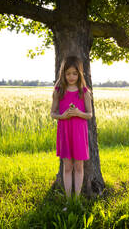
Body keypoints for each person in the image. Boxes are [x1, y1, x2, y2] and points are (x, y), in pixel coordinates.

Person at [50, 56, 93, 199]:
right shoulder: (59, 90)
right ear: (63, 74)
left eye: (74, 73)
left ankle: (76, 200)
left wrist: (79, 113)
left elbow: (89, 114)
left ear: (79, 73)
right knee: (67, 167)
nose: (71, 77)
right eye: (68, 73)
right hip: (65, 132)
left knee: (79, 167)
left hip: (79, 133)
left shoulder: (84, 91)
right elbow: (53, 113)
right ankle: (69, 200)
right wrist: (63, 116)